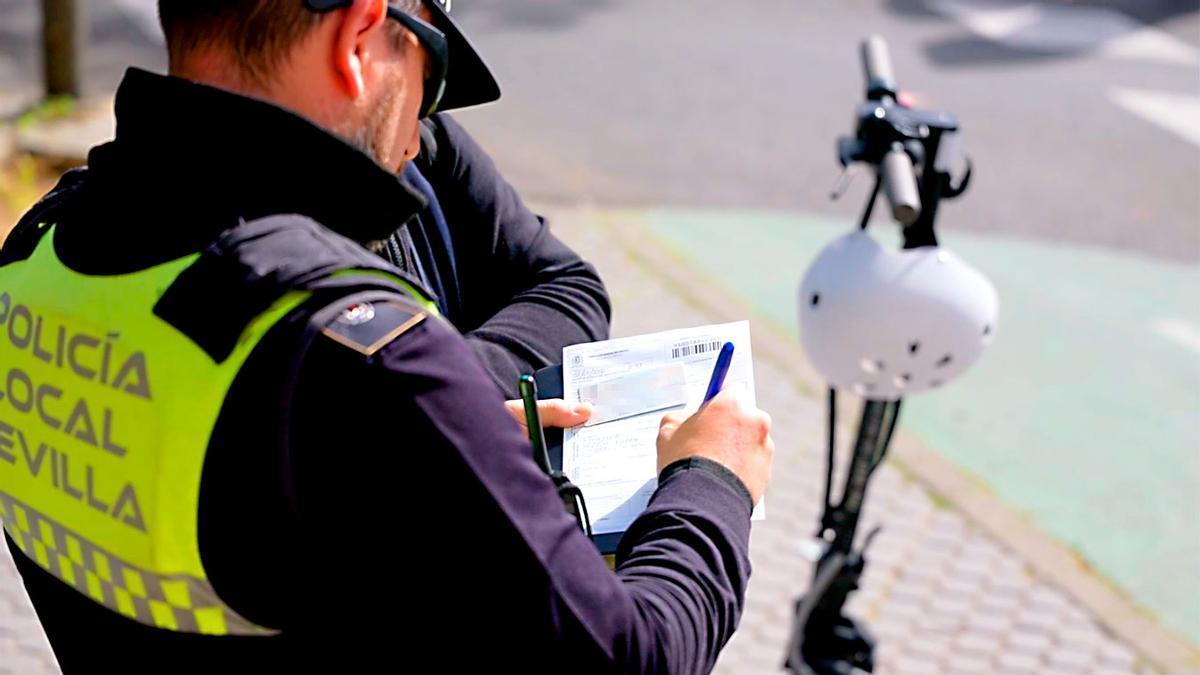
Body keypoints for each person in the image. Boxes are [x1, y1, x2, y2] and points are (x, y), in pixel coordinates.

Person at [0, 1, 776, 673]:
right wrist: (712, 479)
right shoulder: (359, 353)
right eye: (430, 78)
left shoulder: (30, 260)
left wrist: (448, 419)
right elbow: (632, 656)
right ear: (360, 33)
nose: (420, 133)